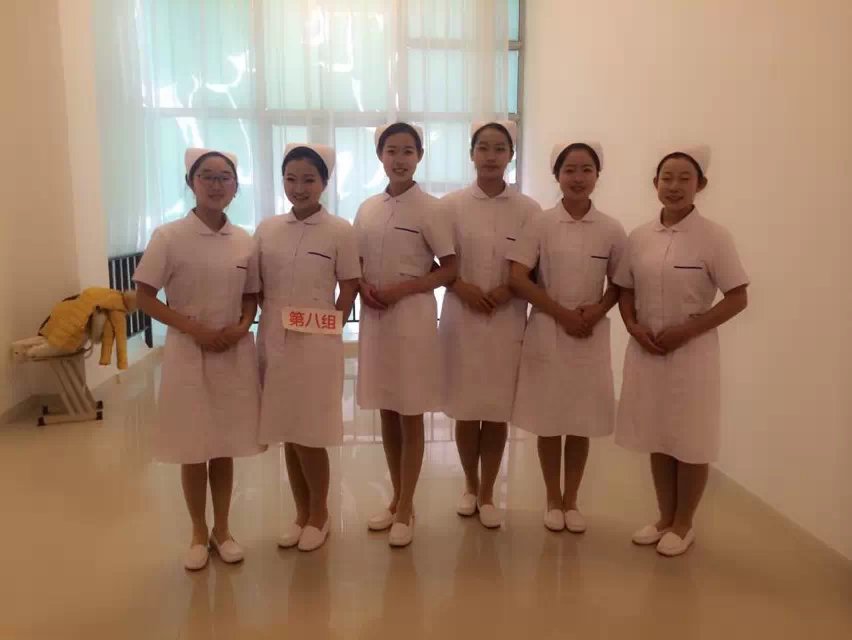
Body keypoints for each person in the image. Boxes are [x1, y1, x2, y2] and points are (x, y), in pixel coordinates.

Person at [614, 146, 749, 556]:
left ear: (700, 185)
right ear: (655, 183)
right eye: (667, 178)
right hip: (647, 349)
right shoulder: (639, 236)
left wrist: (688, 330)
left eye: (684, 178)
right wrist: (633, 326)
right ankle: (664, 518)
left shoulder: (714, 237)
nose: (674, 186)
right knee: (659, 435)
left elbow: (738, 297)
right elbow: (625, 289)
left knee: (690, 439)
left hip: (692, 354)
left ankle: (684, 523)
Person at [134, 148, 265, 570]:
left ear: (236, 187)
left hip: (231, 350)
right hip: (188, 351)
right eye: (206, 175)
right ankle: (196, 531)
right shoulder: (169, 237)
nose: (216, 184)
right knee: (194, 445)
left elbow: (251, 294)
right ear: (191, 182)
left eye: (225, 177)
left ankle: (222, 530)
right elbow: (144, 296)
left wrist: (242, 326)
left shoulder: (244, 240)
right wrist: (196, 329)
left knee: (223, 444)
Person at [508, 141, 627, 533]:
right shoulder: (540, 224)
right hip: (548, 328)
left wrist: (598, 309)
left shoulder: (611, 229)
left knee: (580, 419)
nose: (578, 178)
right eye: (570, 170)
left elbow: (620, 282)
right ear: (556, 175)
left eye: (586, 170)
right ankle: (552, 499)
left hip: (589, 333)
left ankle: (571, 500)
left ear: (597, 175)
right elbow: (518, 277)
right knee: (549, 419)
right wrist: (560, 313)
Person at [354, 122, 458, 547]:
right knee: (386, 409)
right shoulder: (367, 209)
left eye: (408, 151)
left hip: (412, 318)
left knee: (410, 411)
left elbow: (450, 268)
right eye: (391, 151)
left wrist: (404, 288)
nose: (399, 159)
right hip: (376, 318)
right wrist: (363, 286)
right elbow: (355, 262)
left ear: (419, 156)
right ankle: (398, 499)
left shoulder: (431, 209)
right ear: (380, 155)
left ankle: (405, 508)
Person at [255, 143, 360, 552]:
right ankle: (300, 514)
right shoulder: (267, 230)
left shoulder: (339, 230)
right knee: (288, 429)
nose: (299, 188)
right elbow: (256, 285)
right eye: (291, 179)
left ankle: (320, 515)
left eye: (308, 180)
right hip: (275, 340)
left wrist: (333, 322)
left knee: (311, 432)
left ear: (324, 183)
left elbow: (349, 283)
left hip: (316, 344)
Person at [440, 120, 541, 529]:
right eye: (483, 147)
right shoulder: (450, 206)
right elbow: (436, 261)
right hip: (461, 316)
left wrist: (508, 290)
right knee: (466, 408)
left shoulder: (528, 210)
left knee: (496, 409)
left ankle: (488, 492)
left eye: (500, 148)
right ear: (471, 154)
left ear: (511, 155)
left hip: (506, 317)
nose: (491, 156)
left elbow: (535, 266)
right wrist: (459, 286)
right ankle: (469, 485)